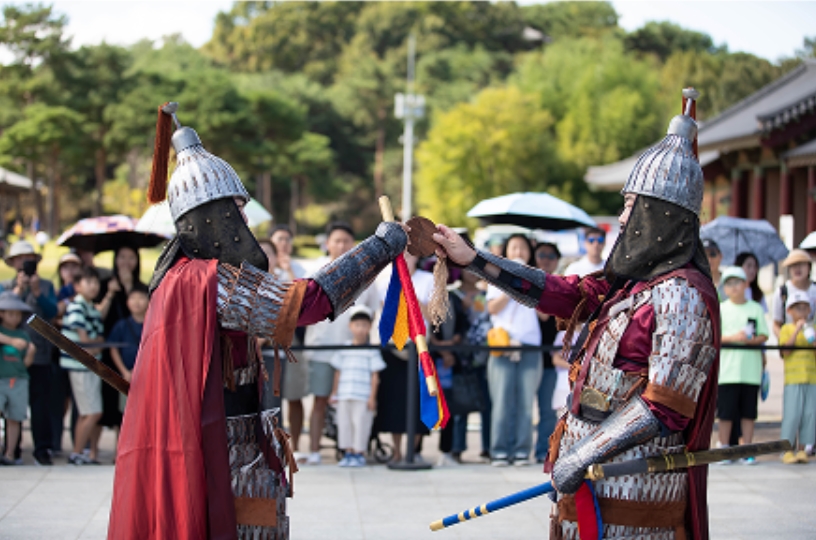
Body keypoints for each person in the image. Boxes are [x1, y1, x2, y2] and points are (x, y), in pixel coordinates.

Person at [107, 103, 407, 540]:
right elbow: (303, 304)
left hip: (228, 435)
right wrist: (378, 247)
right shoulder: (210, 282)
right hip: (226, 447)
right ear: (213, 216)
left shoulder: (175, 276)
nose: (244, 219)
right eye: (235, 209)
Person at [433, 92, 721, 539]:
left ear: (659, 217)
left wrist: (585, 454)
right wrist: (473, 259)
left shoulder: (683, 295)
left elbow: (667, 407)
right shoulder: (627, 284)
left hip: (638, 482)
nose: (622, 219)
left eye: (631, 206)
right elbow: (561, 293)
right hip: (586, 465)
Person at [303, 221, 381, 465]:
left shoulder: (365, 275)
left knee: (355, 404)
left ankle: (354, 450)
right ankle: (314, 450)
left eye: (346, 241)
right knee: (320, 400)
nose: (341, 245)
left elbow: (373, 311)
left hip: (354, 354)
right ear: (327, 243)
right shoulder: (313, 272)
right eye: (336, 241)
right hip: (321, 348)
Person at [486, 234, 542, 467]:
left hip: (530, 345)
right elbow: (493, 308)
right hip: (503, 345)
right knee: (501, 401)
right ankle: (499, 450)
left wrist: (530, 284)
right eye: (514, 247)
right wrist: (512, 283)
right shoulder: (496, 276)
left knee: (526, 403)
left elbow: (545, 314)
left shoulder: (538, 277)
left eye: (522, 248)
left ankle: (522, 450)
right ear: (506, 252)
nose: (518, 252)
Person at [0, 240, 58, 466]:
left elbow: (52, 311)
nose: (25, 262)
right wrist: (18, 291)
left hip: (40, 353)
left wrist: (36, 292)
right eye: (21, 259)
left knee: (40, 403)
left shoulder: (46, 285)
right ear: (13, 262)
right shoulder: (5, 286)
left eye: (29, 259)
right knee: (11, 404)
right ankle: (12, 450)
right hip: (11, 359)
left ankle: (42, 449)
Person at [375, 250, 434, 463]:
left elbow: (433, 316)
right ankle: (397, 450)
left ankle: (414, 450)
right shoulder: (385, 281)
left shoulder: (428, 280)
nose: (406, 259)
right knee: (395, 400)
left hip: (420, 346)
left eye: (410, 255)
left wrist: (411, 295)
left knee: (418, 399)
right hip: (394, 347)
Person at [267, 228, 310, 460]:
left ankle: (296, 445)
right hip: (266, 344)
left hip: (293, 342)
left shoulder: (299, 269)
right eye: (279, 240)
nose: (283, 243)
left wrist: (289, 270)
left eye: (287, 239)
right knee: (269, 400)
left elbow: (302, 299)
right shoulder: (259, 274)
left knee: (294, 394)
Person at [717, 266, 768, 458]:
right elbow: (715, 336)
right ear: (724, 287)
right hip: (727, 371)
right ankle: (724, 448)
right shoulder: (721, 308)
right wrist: (734, 338)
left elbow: (763, 334)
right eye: (729, 283)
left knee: (749, 412)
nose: (733, 286)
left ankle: (747, 449)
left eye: (737, 282)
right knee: (725, 413)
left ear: (746, 284)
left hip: (750, 370)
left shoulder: (755, 308)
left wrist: (751, 341)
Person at [328, 306, 384, 467]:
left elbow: (375, 376)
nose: (360, 329)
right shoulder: (344, 348)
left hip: (363, 395)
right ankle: (348, 452)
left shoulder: (371, 350)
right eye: (357, 325)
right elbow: (337, 372)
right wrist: (334, 392)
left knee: (361, 424)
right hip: (344, 393)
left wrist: (372, 397)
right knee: (344, 424)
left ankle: (359, 453)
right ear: (350, 326)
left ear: (370, 327)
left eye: (364, 325)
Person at [61, 267, 106, 465]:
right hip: (80, 366)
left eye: (96, 282)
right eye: (88, 282)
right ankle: (77, 453)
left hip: (89, 367)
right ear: (77, 286)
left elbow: (98, 340)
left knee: (86, 412)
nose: (93, 286)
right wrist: (95, 345)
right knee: (93, 413)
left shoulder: (90, 307)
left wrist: (95, 344)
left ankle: (78, 452)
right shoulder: (77, 306)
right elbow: (85, 343)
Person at [430, 285, 470, 466]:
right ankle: (415, 450)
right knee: (425, 404)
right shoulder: (428, 297)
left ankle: (447, 451)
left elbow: (462, 327)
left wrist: (450, 349)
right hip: (432, 359)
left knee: (449, 407)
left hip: (452, 361)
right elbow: (428, 329)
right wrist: (441, 349)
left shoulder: (455, 299)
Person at [778, 290, 816, 464]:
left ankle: (802, 449)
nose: (801, 311)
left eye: (804, 308)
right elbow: (785, 351)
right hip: (793, 379)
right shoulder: (786, 329)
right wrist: (797, 330)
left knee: (810, 414)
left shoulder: (813, 329)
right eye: (797, 308)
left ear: (809, 310)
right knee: (792, 414)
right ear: (789, 311)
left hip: (811, 378)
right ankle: (787, 449)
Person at [0, 292, 35, 465]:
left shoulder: (23, 335)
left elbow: (26, 363)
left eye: (17, 314)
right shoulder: (6, 334)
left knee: (14, 417)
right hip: (1, 379)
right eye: (10, 313)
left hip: (18, 379)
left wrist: (31, 353)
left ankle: (10, 454)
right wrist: (11, 341)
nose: (15, 317)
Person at [534, 242, 561, 463]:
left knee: (548, 409)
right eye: (542, 254)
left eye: (551, 256)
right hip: (528, 353)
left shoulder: (561, 285)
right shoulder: (526, 283)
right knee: (520, 406)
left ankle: (543, 451)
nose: (546, 259)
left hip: (553, 357)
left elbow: (547, 314)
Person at [109, 284, 149, 387]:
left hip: (149, 374)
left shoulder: (154, 326)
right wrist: (124, 372)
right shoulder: (121, 325)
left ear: (149, 301)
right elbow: (113, 349)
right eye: (133, 298)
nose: (136, 302)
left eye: (141, 298)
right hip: (128, 377)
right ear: (127, 302)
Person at [772, 249, 816, 338]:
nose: (797, 268)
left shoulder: (814, 289)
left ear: (809, 267)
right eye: (793, 265)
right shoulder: (782, 292)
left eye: (801, 264)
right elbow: (776, 323)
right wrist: (785, 340)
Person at [56, 252, 82, 317]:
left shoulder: (85, 290)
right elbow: (57, 310)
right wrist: (71, 299)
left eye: (74, 266)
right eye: (66, 267)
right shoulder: (57, 293)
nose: (70, 270)